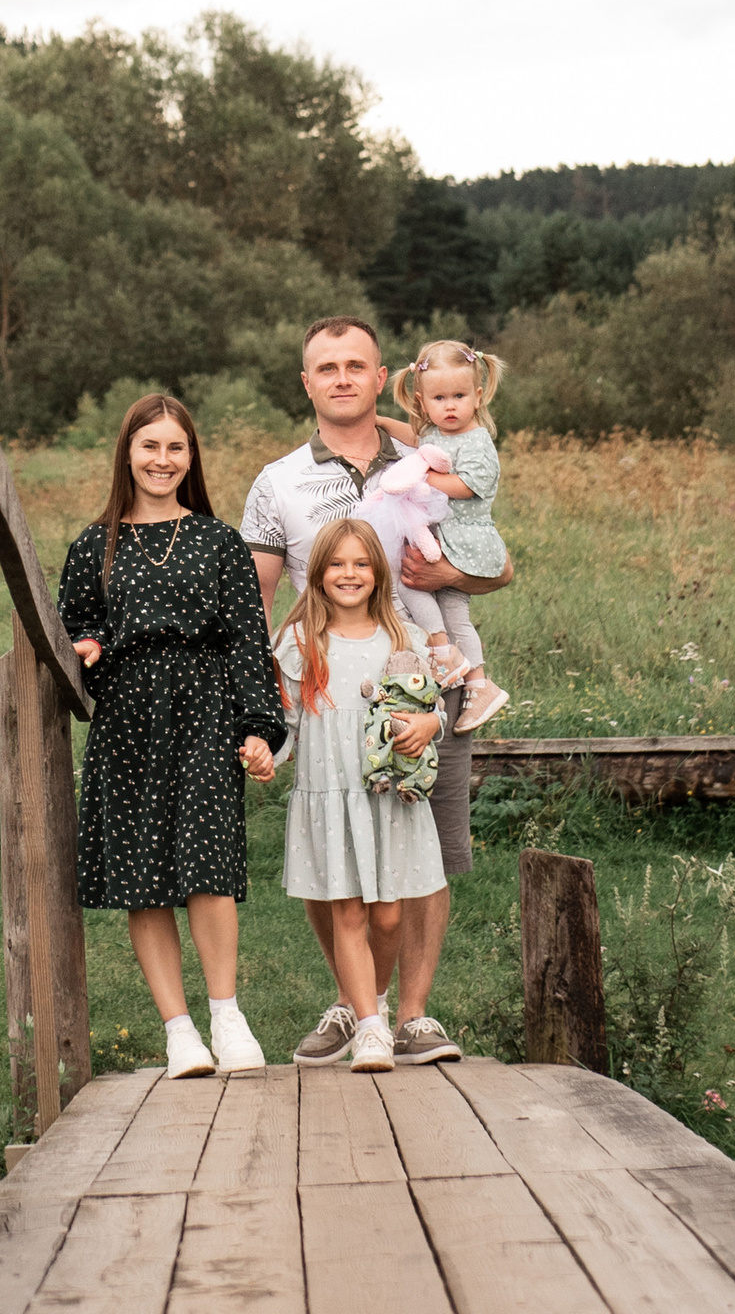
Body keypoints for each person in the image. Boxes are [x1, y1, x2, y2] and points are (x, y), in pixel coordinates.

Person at [242, 314, 511, 1067]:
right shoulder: (279, 481)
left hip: (424, 683)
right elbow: (254, 598)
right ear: (307, 382)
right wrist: (263, 694)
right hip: (328, 687)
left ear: (379, 372)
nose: (342, 379)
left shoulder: (432, 452)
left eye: (355, 365)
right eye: (326, 368)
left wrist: (447, 578)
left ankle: (415, 1017)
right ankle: (356, 1006)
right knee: (334, 850)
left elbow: (497, 563)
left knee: (426, 849)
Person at [59, 393, 288, 1079]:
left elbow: (249, 640)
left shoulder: (219, 542)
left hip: (205, 713)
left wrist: (257, 728)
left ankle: (227, 1015)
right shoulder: (92, 545)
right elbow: (74, 624)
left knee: (208, 865)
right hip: (129, 716)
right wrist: (90, 646)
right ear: (127, 452)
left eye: (175, 448)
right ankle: (179, 1032)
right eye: (150, 446)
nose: (162, 460)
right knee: (144, 876)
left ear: (191, 458)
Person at [272, 520, 446, 1070]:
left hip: (389, 798)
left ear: (380, 572)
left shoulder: (406, 641)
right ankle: (371, 1028)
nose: (349, 574)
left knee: (390, 917)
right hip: (332, 798)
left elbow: (432, 707)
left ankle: (375, 1003)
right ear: (317, 575)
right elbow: (287, 726)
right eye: (337, 564)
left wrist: (431, 727)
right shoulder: (300, 645)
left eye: (361, 564)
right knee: (347, 910)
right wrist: (261, 754)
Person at [379, 341, 513, 733]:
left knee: (414, 589)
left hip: (464, 541)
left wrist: (420, 475)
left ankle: (447, 654)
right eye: (440, 398)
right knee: (454, 613)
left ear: (477, 396)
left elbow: (468, 486)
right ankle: (476, 682)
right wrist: (386, 425)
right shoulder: (439, 433)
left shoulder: (478, 441)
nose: (450, 406)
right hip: (443, 538)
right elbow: (421, 444)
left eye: (459, 396)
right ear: (422, 402)